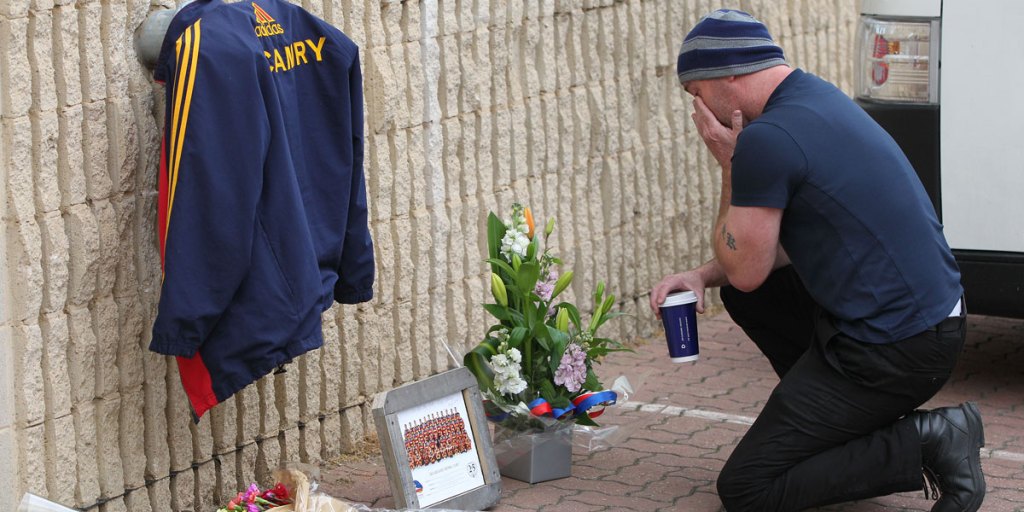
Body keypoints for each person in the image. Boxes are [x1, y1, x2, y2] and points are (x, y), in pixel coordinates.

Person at [649, 9, 985, 512]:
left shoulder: (766, 140)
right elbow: (767, 254)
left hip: (895, 350)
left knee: (747, 488)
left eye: (696, 95)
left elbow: (746, 266)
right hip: (928, 325)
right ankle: (833, 425)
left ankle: (933, 440)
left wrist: (730, 165)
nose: (700, 113)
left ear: (728, 76)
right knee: (750, 295)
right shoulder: (816, 100)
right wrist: (700, 275)